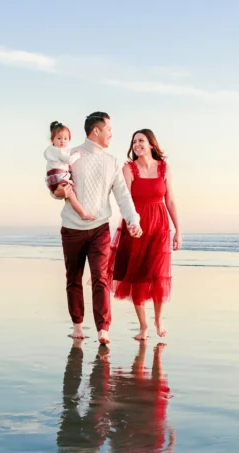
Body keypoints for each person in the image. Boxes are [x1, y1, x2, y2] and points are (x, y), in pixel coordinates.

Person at [51, 112, 143, 344]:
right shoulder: (70, 156)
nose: (112, 133)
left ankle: (103, 330)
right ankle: (78, 326)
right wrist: (57, 192)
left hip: (100, 228)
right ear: (96, 131)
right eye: (109, 129)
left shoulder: (112, 162)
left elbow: (123, 196)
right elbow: (55, 187)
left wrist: (133, 220)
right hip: (72, 228)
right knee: (73, 278)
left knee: (101, 278)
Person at [109, 129, 181, 340]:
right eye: (134, 141)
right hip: (136, 227)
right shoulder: (128, 168)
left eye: (141, 140)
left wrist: (178, 231)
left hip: (160, 227)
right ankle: (143, 327)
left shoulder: (164, 168)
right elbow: (124, 199)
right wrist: (131, 223)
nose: (137, 144)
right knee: (137, 276)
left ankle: (158, 319)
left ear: (151, 144)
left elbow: (170, 201)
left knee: (158, 275)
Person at [43, 121, 95, 221]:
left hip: (51, 179)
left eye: (65, 139)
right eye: (59, 138)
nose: (62, 141)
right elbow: (69, 160)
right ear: (52, 140)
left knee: (69, 195)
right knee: (72, 196)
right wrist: (77, 154)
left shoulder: (51, 151)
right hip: (58, 176)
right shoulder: (58, 151)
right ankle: (82, 214)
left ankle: (81, 213)